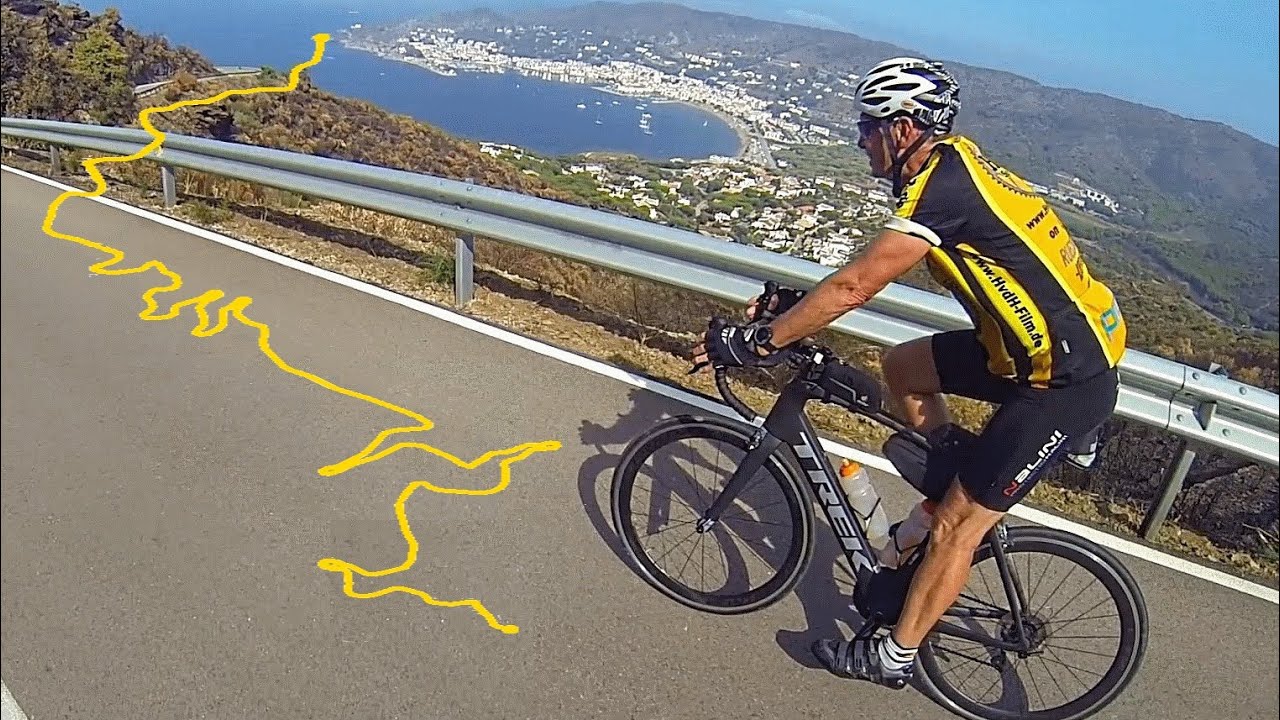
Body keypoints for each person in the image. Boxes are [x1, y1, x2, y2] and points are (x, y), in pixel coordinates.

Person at [690, 56, 1126, 688]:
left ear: (902, 128)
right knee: (902, 366)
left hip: (1064, 380)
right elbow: (852, 274)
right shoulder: (949, 164)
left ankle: (892, 655)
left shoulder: (943, 188)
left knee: (958, 525)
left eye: (868, 125)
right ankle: (943, 489)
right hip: (1023, 352)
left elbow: (858, 284)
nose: (860, 138)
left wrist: (759, 341)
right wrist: (793, 311)